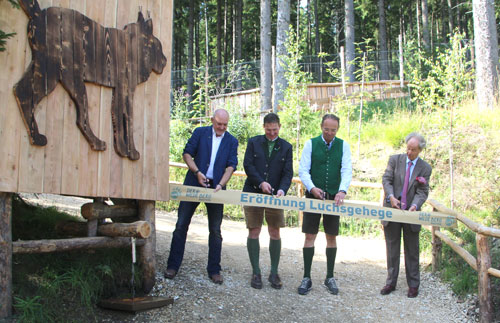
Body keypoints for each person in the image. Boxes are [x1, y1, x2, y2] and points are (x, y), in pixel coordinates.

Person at [165, 109, 238, 284]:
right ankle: (173, 266)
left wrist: (221, 183)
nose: (221, 127)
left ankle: (214, 269)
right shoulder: (200, 132)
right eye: (219, 124)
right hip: (193, 183)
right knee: (181, 224)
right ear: (212, 120)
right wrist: (197, 172)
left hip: (216, 189)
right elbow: (187, 153)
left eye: (225, 125)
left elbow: (231, 165)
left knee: (215, 230)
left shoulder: (232, 141)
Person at [297, 114, 352, 295]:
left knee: (331, 236)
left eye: (333, 130)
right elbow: (303, 170)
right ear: (321, 127)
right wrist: (312, 188)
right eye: (326, 129)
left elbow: (346, 170)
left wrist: (342, 190)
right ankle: (306, 277)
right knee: (309, 236)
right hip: (313, 197)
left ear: (337, 129)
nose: (329, 133)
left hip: (333, 198)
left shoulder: (343, 146)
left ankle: (329, 276)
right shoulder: (310, 144)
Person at [243, 113, 293, 290]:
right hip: (253, 192)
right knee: (254, 230)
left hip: (275, 196)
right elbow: (248, 165)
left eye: (275, 129)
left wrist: (282, 189)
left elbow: (288, 173)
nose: (272, 133)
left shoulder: (286, 147)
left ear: (279, 126)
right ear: (264, 127)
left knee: (274, 231)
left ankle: (274, 272)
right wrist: (260, 182)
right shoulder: (253, 142)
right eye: (268, 130)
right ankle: (256, 272)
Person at [380, 132, 432, 298]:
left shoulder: (425, 168)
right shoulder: (395, 160)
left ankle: (413, 285)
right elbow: (386, 180)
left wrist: (415, 205)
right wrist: (391, 196)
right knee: (392, 248)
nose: (409, 152)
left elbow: (423, 191)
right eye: (408, 148)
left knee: (412, 250)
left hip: (411, 214)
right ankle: (391, 282)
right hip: (392, 210)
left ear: (420, 150)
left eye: (413, 150)